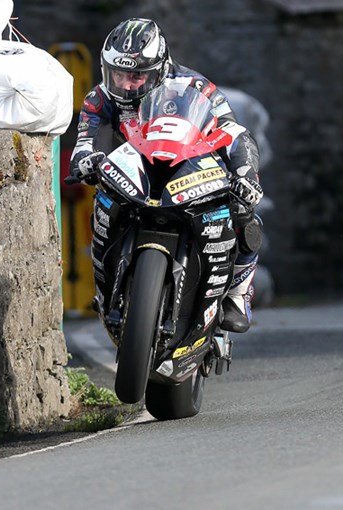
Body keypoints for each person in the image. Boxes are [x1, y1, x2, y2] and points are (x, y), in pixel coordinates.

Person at [68, 17, 264, 333]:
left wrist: (246, 177)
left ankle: (238, 295)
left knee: (244, 214)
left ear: (160, 68)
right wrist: (84, 162)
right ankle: (106, 288)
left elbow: (233, 132)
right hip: (133, 179)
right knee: (101, 207)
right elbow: (86, 138)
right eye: (117, 74)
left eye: (136, 76)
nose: (126, 84)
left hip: (191, 175)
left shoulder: (196, 88)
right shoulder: (100, 99)